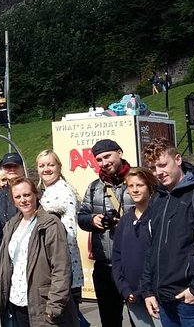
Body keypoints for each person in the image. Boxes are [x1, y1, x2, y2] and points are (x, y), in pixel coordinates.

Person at [141, 138, 194, 327]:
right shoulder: (158, 199)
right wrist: (147, 290)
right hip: (164, 300)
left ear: (178, 159)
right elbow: (151, 248)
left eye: (163, 165)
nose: (159, 172)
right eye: (153, 168)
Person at [0, 177, 79, 327]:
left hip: (42, 304)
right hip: (17, 301)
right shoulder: (11, 225)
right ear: (13, 200)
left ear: (36, 195)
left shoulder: (51, 224)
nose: (23, 200)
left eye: (27, 195)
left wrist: (55, 305)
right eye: (18, 197)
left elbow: (61, 268)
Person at [78, 139, 134, 327]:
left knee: (140, 319)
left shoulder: (137, 181)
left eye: (107, 156)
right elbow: (82, 217)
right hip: (104, 266)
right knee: (110, 321)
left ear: (120, 152)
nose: (104, 162)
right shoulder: (94, 187)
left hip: (134, 264)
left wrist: (125, 224)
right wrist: (92, 220)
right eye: (99, 159)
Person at [111, 168, 162, 327]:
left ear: (150, 187)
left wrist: (146, 289)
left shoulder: (158, 217)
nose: (134, 190)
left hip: (155, 295)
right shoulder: (125, 221)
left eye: (139, 185)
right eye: (131, 186)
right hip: (132, 296)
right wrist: (124, 289)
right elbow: (117, 257)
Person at [37, 150, 84, 306]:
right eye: (42, 165)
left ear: (59, 166)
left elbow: (69, 234)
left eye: (51, 164)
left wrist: (63, 270)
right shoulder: (48, 191)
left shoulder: (63, 192)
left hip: (61, 265)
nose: (46, 169)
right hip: (52, 264)